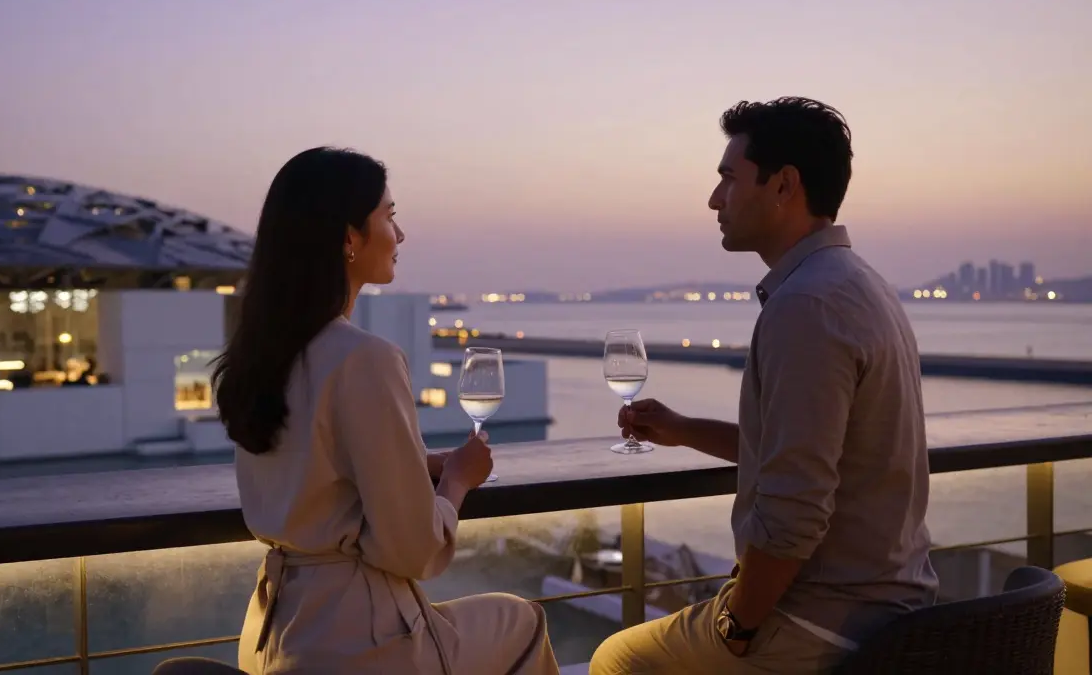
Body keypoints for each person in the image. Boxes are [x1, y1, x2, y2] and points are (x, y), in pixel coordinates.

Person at [590, 97, 939, 674]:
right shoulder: (860, 285)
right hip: (894, 604)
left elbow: (796, 508)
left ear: (783, 186)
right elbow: (812, 452)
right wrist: (682, 429)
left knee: (618, 658)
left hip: (822, 621)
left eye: (729, 177)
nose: (714, 198)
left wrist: (739, 624)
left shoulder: (805, 307)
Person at [209, 147, 560, 674]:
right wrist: (457, 481)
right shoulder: (363, 359)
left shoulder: (260, 356)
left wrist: (416, 461)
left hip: (274, 634)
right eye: (390, 217)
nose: (401, 235)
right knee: (523, 620)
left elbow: (316, 472)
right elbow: (414, 551)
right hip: (357, 645)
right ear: (349, 237)